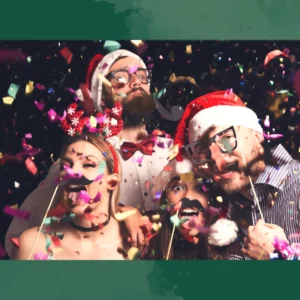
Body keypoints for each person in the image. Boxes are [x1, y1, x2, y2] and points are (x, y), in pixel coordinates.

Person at [5, 49, 173, 257]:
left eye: (142, 76)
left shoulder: (175, 153)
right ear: (101, 98)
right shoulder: (82, 158)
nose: (136, 82)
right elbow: (21, 236)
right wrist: (119, 213)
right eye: (121, 78)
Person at [173, 90, 300, 260]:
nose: (218, 161)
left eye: (226, 140)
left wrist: (279, 257)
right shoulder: (223, 209)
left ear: (257, 136)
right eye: (203, 151)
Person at [12, 133, 132, 260]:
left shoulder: (133, 239)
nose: (72, 172)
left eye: (88, 164)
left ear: (111, 182)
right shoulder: (32, 243)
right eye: (66, 166)